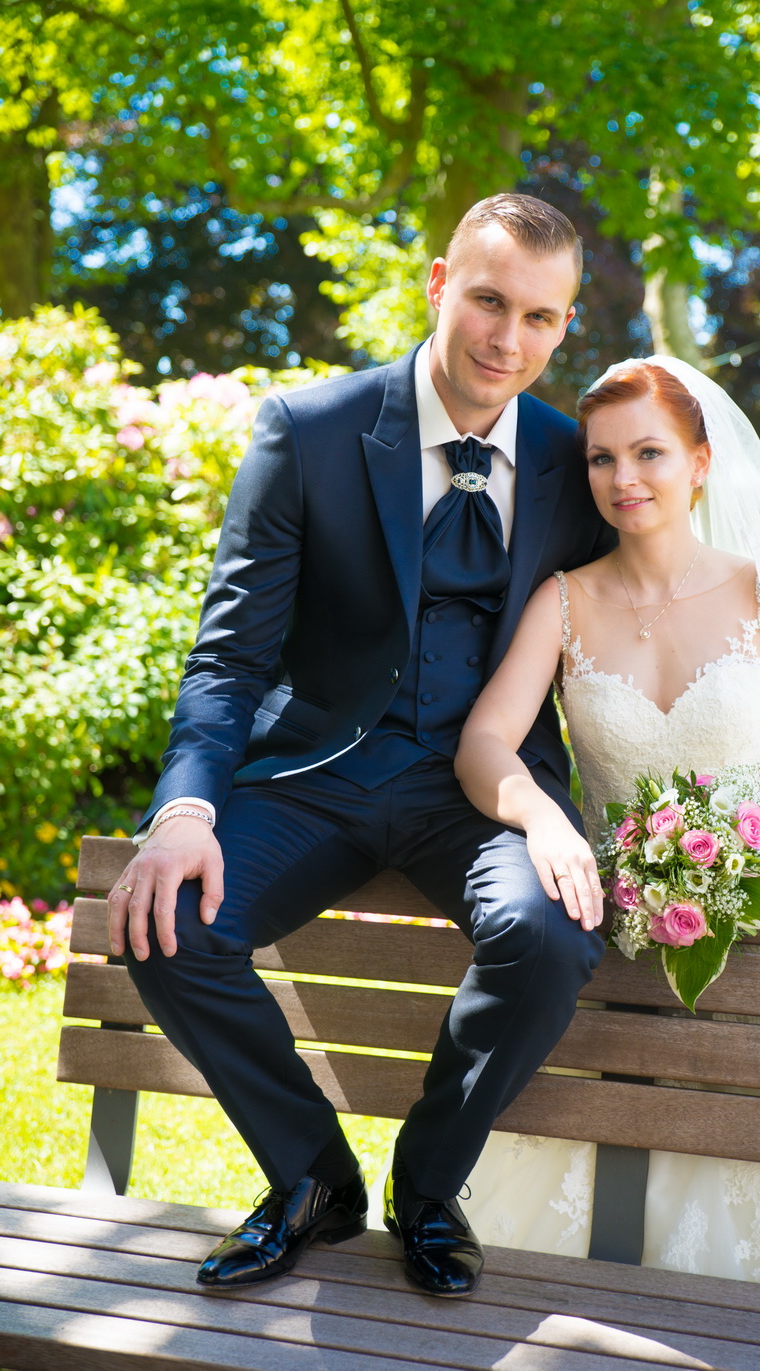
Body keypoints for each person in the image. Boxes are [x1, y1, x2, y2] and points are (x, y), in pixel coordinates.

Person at [105, 193, 615, 1298]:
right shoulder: (314, 431)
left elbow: (653, 631)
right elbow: (230, 654)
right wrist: (185, 810)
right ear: (438, 284)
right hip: (319, 773)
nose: (505, 338)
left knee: (551, 933)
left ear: (565, 326)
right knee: (166, 927)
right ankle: (312, 1178)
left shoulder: (582, 469)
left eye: (538, 317)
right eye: (486, 300)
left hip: (488, 786)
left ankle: (428, 1188)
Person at [454, 356, 760, 1305]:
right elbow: (483, 745)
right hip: (618, 935)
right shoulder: (564, 601)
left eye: (649, 454)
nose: (624, 479)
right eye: (602, 459)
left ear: (703, 463)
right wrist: (543, 820)